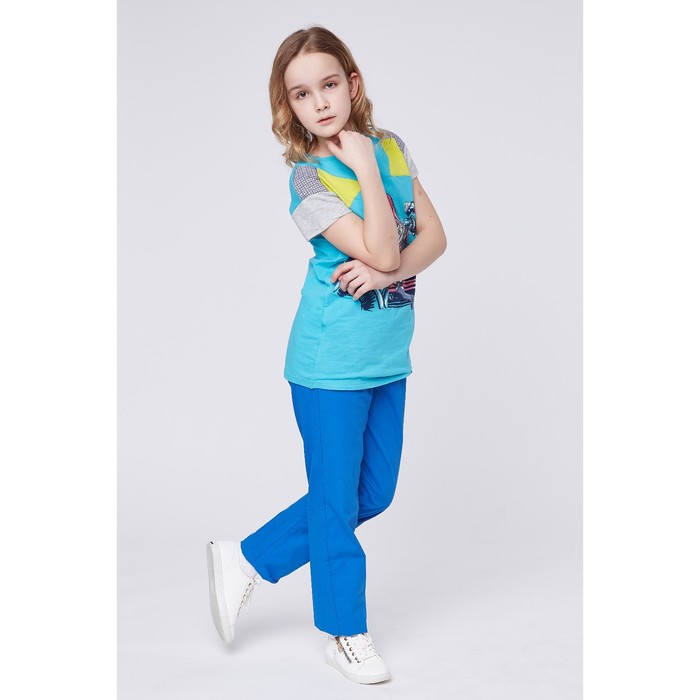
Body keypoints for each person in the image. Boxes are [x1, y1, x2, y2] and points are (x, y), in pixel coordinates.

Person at [207, 25, 447, 685]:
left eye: (330, 84)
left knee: (373, 492)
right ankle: (346, 633)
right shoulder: (308, 180)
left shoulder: (393, 146)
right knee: (337, 504)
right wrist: (364, 172)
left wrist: (385, 267)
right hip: (329, 363)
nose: (319, 102)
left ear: (353, 84)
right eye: (301, 93)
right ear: (288, 105)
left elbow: (434, 238)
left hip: (387, 355)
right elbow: (387, 248)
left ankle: (247, 557)